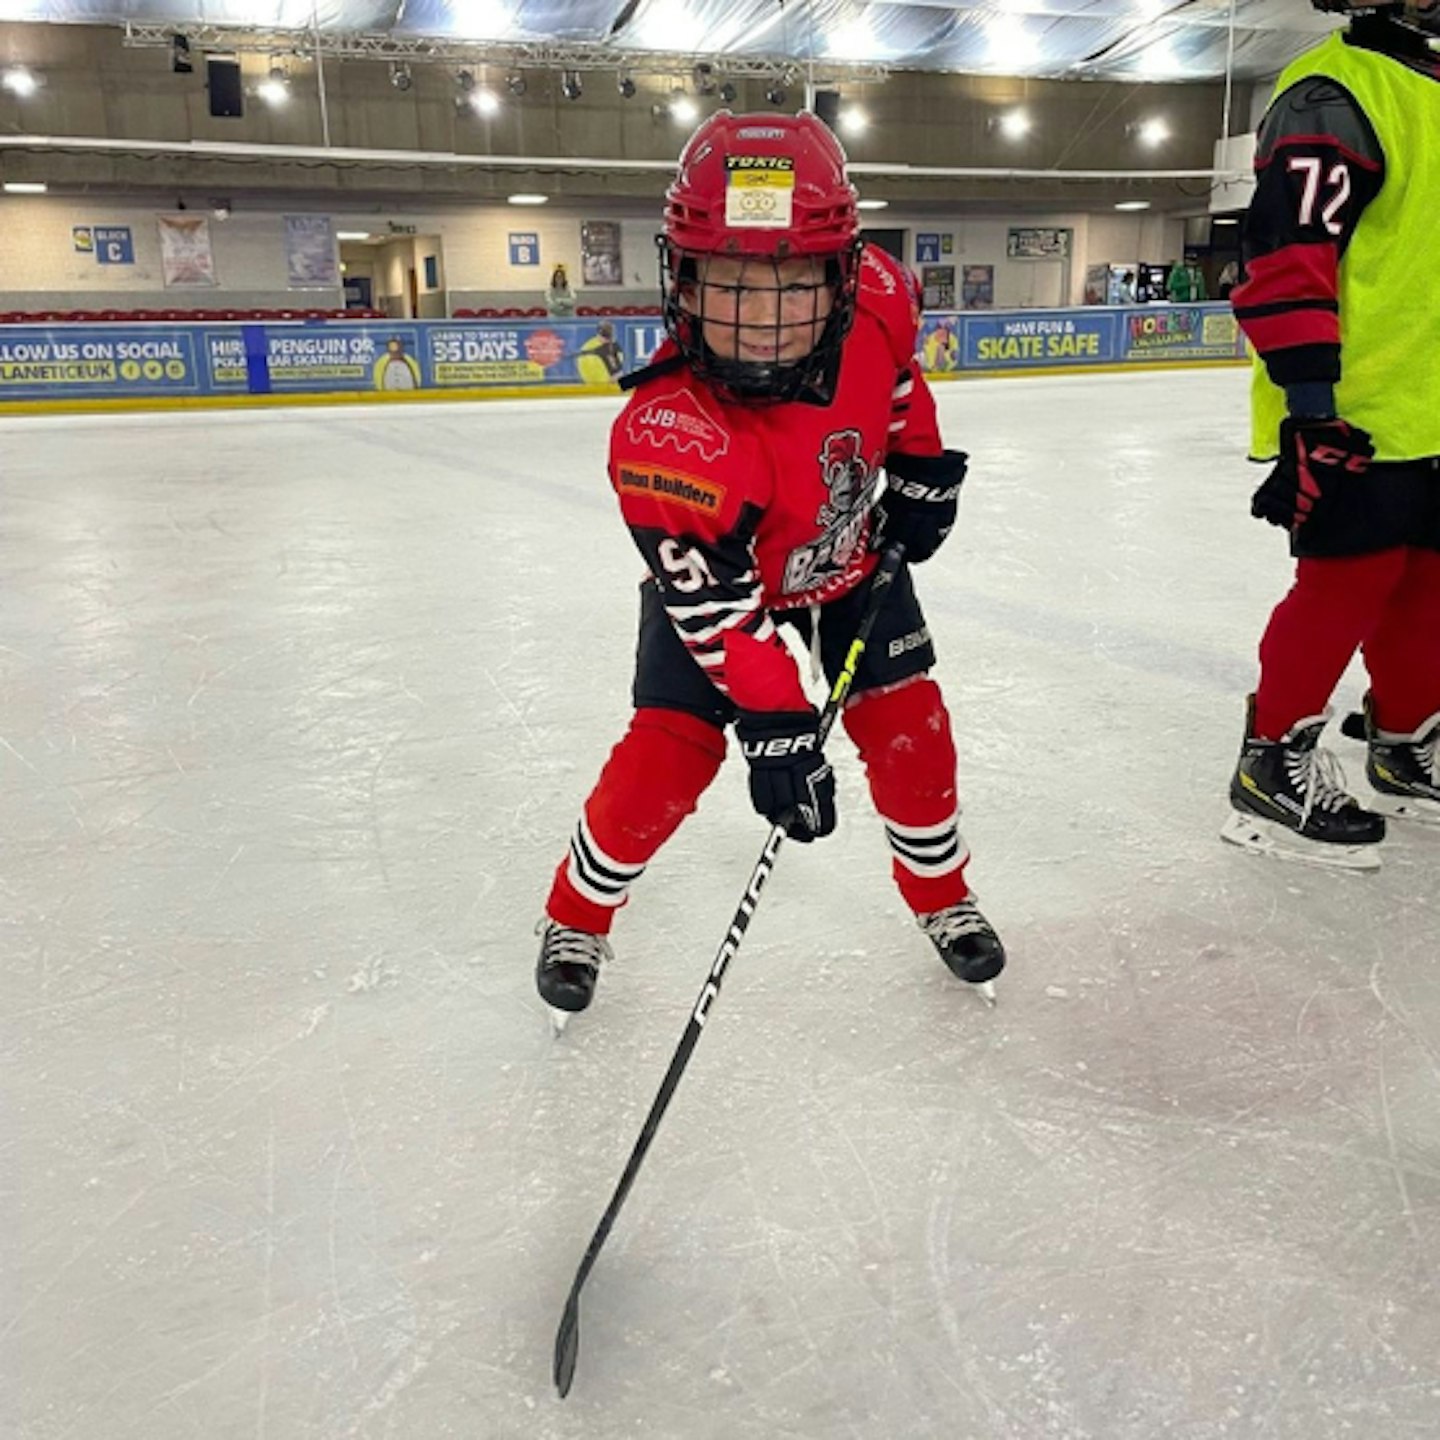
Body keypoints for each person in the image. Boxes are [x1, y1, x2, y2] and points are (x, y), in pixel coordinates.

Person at [533, 111, 1006, 1019]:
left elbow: (898, 380)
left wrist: (919, 464)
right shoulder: (668, 433)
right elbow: (719, 620)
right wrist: (780, 724)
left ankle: (942, 896)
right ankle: (577, 912)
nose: (760, 319)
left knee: (914, 727)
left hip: (842, 561)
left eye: (791, 284)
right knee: (669, 756)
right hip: (728, 593)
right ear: (684, 274)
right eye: (729, 283)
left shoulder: (879, 297)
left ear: (838, 274)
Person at [1222, 0, 1440, 869]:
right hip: (1358, 408)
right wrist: (1311, 410)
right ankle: (1269, 768)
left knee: (1426, 585)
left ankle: (1403, 744)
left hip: (1431, 408)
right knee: (1346, 587)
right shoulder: (1332, 93)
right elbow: (1284, 255)